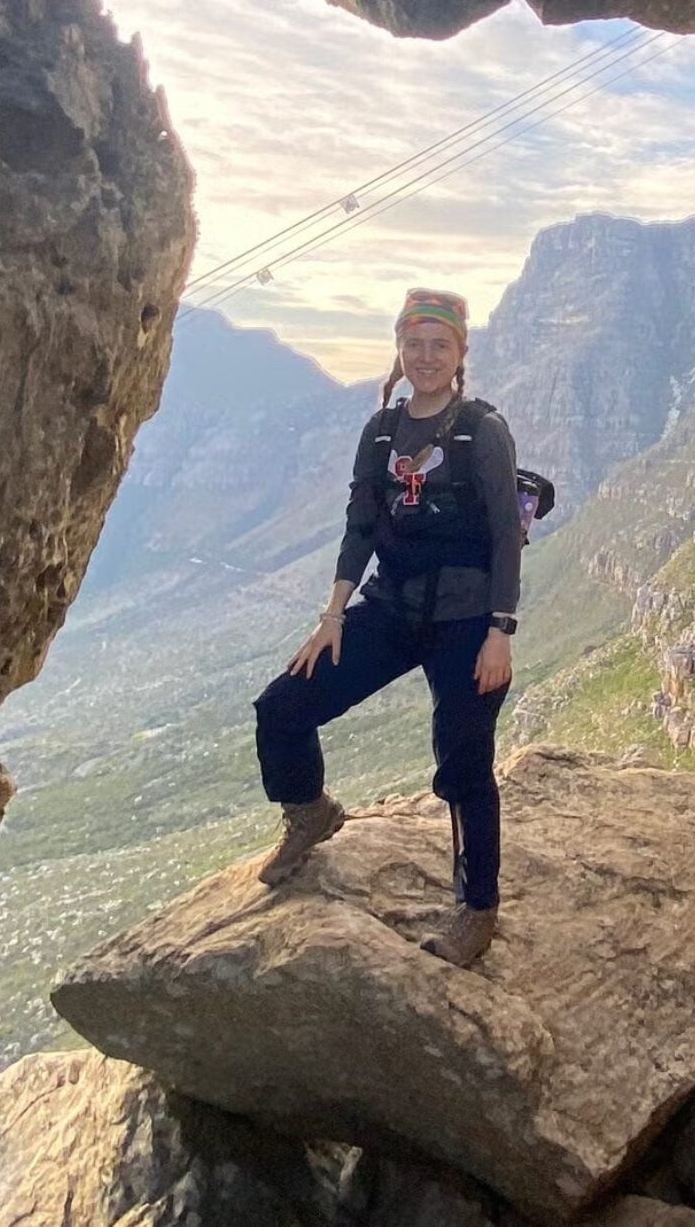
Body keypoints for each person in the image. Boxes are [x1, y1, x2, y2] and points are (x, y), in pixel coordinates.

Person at [251, 288, 522, 968]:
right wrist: (333, 617)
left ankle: (477, 908)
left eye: (440, 345)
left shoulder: (480, 430)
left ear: (460, 354)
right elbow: (361, 527)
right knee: (282, 707)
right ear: (399, 350)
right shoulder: (380, 432)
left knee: (463, 764)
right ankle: (310, 811)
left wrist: (500, 632)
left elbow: (504, 538)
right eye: (414, 343)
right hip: (393, 608)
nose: (425, 357)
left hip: (466, 618)